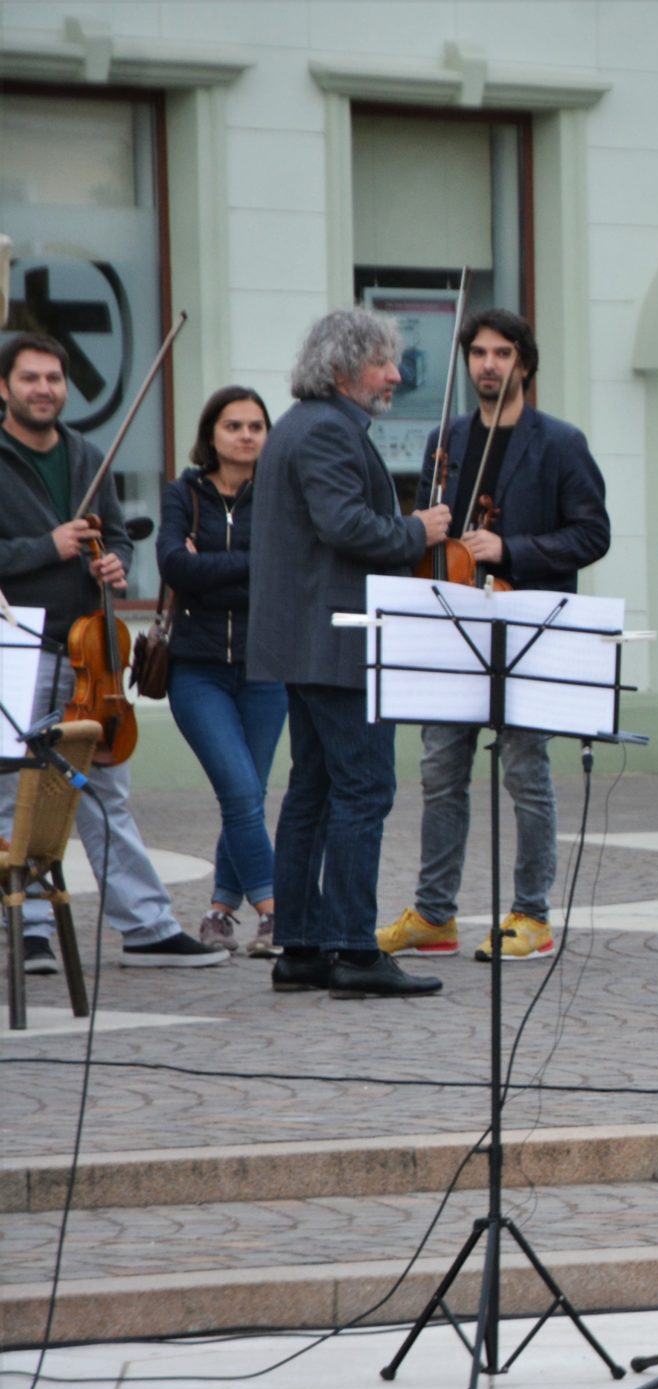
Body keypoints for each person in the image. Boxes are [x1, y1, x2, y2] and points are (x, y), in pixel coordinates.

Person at [377, 310, 610, 964]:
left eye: (501, 353)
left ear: (524, 364)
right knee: (439, 769)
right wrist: (425, 530)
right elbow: (428, 531)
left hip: (525, 620)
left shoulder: (560, 442)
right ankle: (434, 912)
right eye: (478, 353)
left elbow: (592, 533)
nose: (487, 364)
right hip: (453, 623)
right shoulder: (444, 440)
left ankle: (531, 914)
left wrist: (513, 547)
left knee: (524, 770)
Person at [0, 332, 226, 974]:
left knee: (104, 791)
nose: (44, 389)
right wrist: (49, 545)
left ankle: (146, 927)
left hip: (89, 650)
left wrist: (115, 564)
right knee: (18, 796)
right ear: (4, 388)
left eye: (53, 379)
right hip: (18, 646)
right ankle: (32, 930)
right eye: (30, 378)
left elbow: (118, 535)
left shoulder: (86, 454)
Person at [248, 308, 449, 999]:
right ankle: (355, 951)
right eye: (382, 363)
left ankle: (301, 947)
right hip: (338, 642)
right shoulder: (329, 429)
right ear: (340, 371)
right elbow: (347, 527)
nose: (396, 374)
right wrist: (415, 528)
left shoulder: (300, 424)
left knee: (313, 790)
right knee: (364, 789)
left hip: (305, 642)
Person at [159, 386, 287, 958]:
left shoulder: (282, 496)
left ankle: (218, 911)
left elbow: (283, 572)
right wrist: (245, 566)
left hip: (266, 666)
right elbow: (172, 565)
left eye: (256, 426)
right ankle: (278, 913)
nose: (245, 435)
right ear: (211, 434)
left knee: (249, 795)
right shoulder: (182, 494)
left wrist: (206, 567)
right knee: (238, 790)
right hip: (197, 670)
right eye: (233, 425)